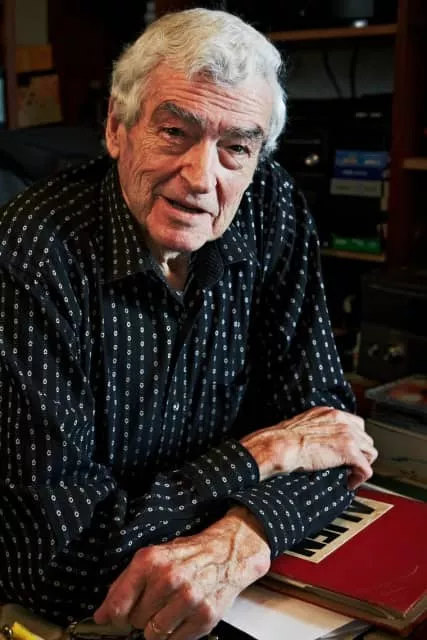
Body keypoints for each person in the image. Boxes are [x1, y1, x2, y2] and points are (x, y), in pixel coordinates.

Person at [0, 8, 377, 640]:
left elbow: (335, 439)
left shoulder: (269, 205)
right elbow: (56, 565)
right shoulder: (30, 256)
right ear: (117, 129)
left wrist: (244, 538)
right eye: (175, 132)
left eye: (237, 148)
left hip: (235, 591)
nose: (204, 178)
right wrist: (265, 453)